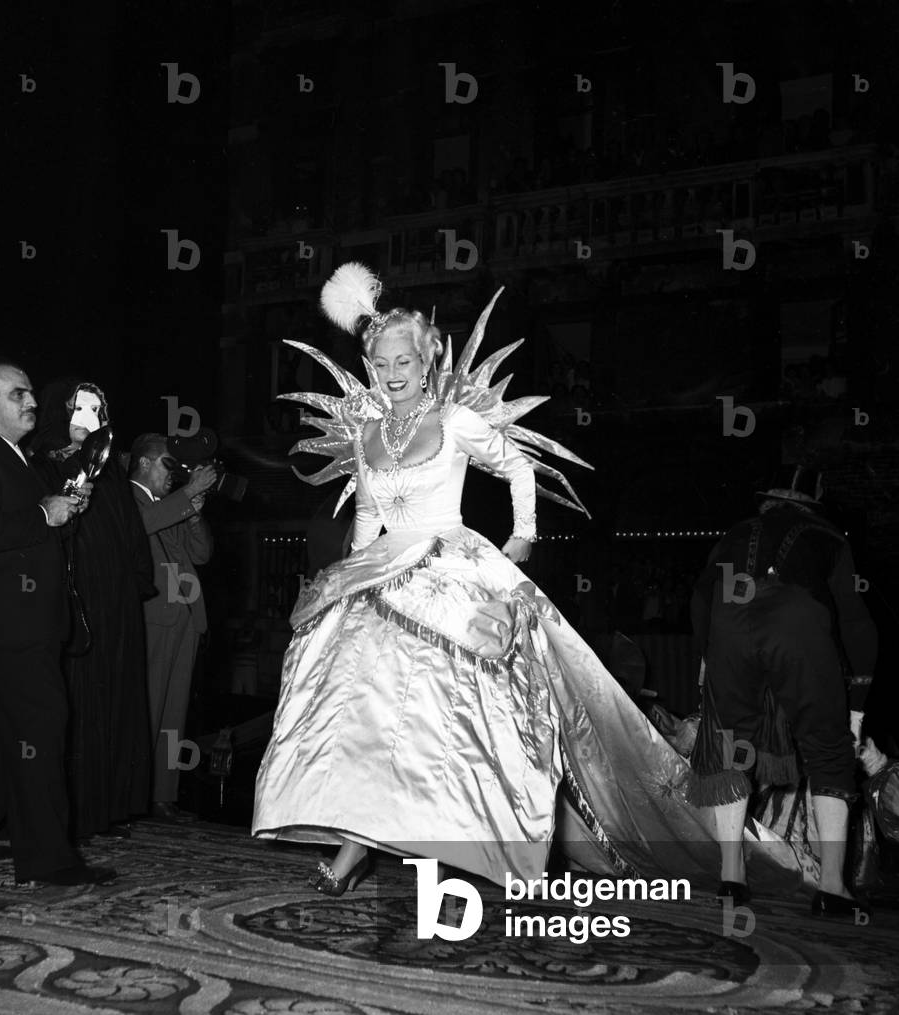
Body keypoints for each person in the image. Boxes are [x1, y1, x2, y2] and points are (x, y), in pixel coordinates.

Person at [252, 264, 817, 898]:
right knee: (366, 717)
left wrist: (523, 535)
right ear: (370, 363)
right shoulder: (368, 434)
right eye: (382, 362)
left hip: (453, 568)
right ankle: (358, 842)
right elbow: (366, 516)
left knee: (460, 721)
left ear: (426, 359)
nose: (393, 372)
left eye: (405, 359)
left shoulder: (454, 422)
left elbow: (517, 466)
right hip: (383, 580)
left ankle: (485, 838)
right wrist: (344, 577)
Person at [0, 359, 115, 886]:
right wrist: (43, 514)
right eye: (17, 395)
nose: (31, 402)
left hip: (23, 618)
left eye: (31, 393)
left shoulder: (14, 456)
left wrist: (60, 512)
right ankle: (48, 858)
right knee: (40, 725)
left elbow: (24, 533)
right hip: (4, 622)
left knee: (11, 735)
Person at [688, 466, 877, 917]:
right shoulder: (829, 537)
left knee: (733, 745)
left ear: (769, 501)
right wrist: (857, 705)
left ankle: (731, 879)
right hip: (797, 620)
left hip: (729, 619)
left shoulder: (738, 531)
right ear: (813, 503)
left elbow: (700, 598)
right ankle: (832, 887)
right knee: (828, 747)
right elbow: (856, 622)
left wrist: (708, 657)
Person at [28, 378, 154, 841]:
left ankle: (112, 804)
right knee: (81, 699)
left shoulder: (110, 467)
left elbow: (130, 532)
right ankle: (77, 811)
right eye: (79, 409)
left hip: (116, 598)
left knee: (117, 693)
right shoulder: (44, 458)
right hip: (77, 595)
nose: (89, 420)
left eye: (97, 410)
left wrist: (135, 582)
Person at [129, 434, 215, 820]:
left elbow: (201, 553)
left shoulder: (171, 505)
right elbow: (136, 530)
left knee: (173, 711)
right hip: (153, 617)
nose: (175, 473)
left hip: (185, 617)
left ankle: (163, 794)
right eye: (168, 464)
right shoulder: (125, 498)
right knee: (146, 707)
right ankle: (134, 794)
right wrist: (187, 495)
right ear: (144, 463)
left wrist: (193, 509)